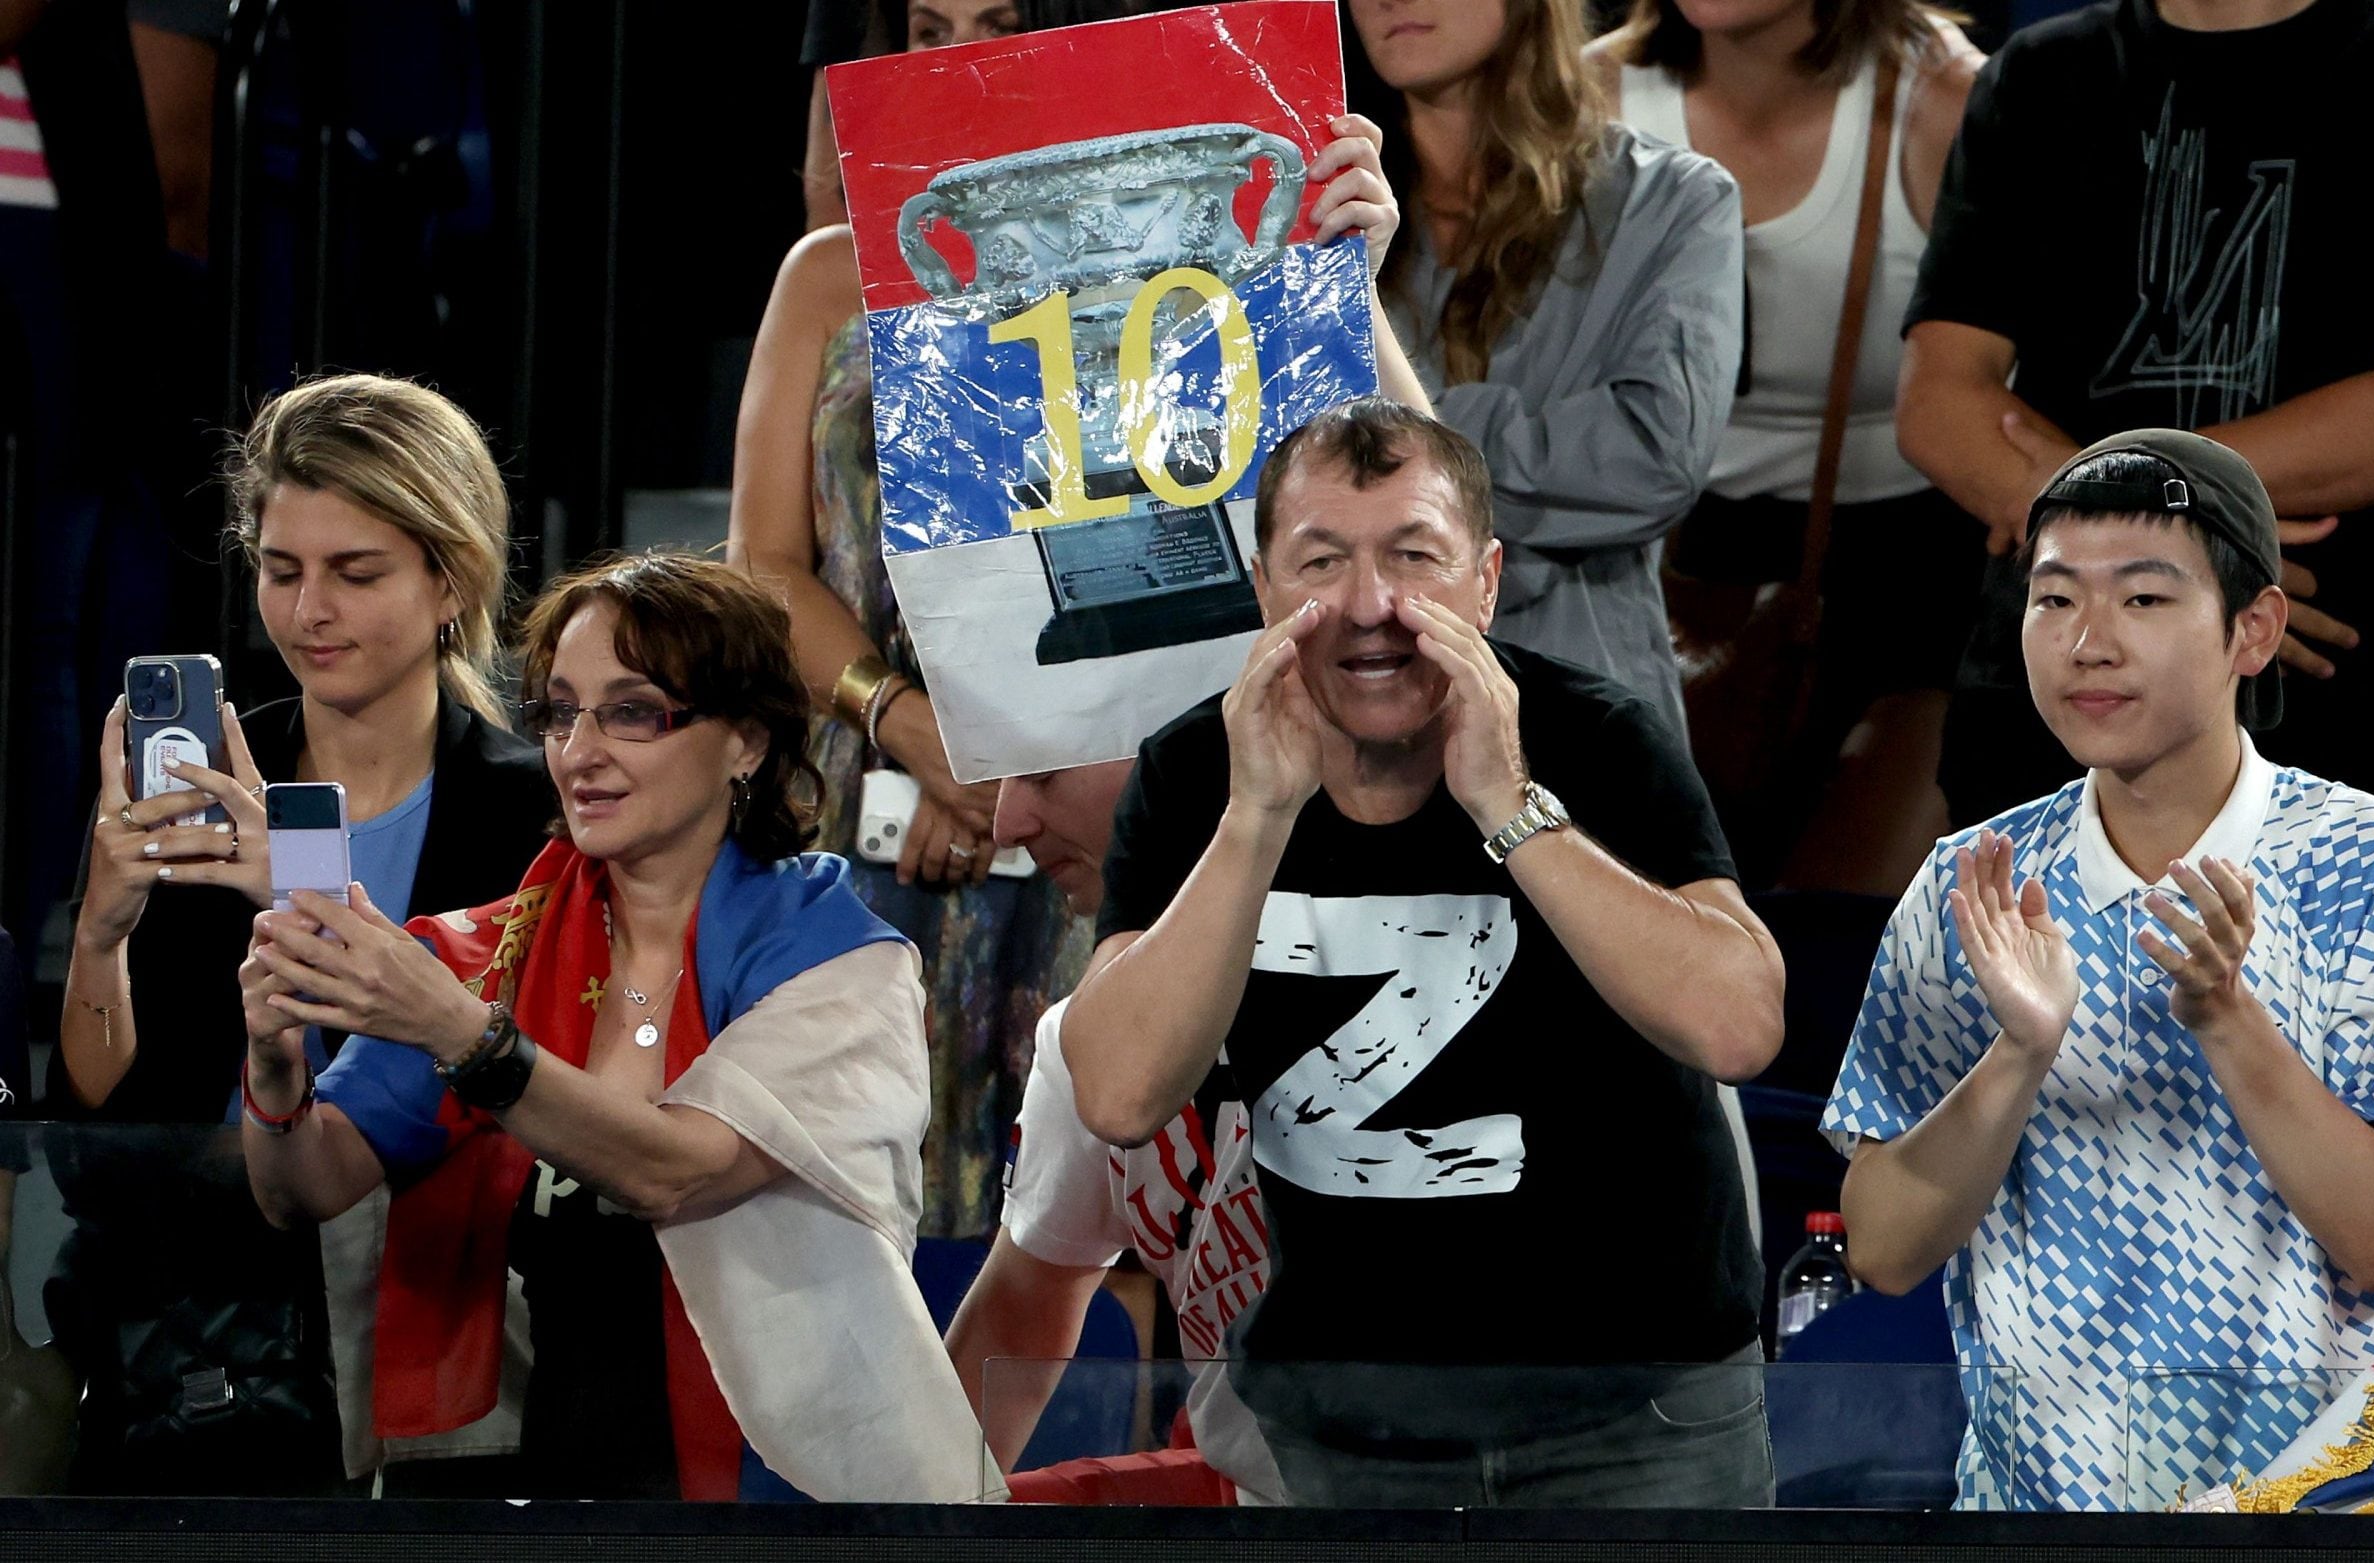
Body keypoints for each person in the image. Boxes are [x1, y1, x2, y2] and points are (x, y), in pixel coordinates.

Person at [732, 9, 1425, 1235]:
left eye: (994, 25)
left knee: (1140, 1206)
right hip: (886, 817)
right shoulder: (823, 281)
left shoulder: (1208, 256)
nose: (956, 57)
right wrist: (909, 726)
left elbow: (1401, 500)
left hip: (1135, 802)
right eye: (925, 28)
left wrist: (1339, 289)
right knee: (876, 1211)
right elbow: (766, 569)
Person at [1061, 397, 1785, 1508]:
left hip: (1634, 1411)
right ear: (1262, 588)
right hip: (1348, 1421)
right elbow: (1117, 1092)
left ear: (1485, 581)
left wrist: (1509, 804)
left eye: (1414, 558)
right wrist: (1255, 818)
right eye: (1320, 562)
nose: (1368, 607)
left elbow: (1739, 1025)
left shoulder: (1595, 738)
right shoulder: (1191, 776)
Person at [1823, 431, 2374, 1511]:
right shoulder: (1972, 884)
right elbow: (1884, 1250)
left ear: (2251, 630)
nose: (2087, 643)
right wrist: (2018, 1053)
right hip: (2032, 1508)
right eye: (2053, 600)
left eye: (2142, 600)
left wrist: (2225, 1016)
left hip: (2312, 1508)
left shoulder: (2368, 865)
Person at [236, 552, 983, 1502]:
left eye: (632, 712)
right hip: (561, 1505)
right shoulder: (484, 957)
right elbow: (309, 1184)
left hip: (803, 1507)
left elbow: (676, 1169)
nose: (579, 750)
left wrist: (467, 1039)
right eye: (559, 710)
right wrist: (275, 1064)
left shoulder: (841, 962)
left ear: (745, 740)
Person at [44, 373, 552, 1496]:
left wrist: (304, 894)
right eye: (282, 571)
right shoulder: (192, 791)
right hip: (204, 1352)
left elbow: (503, 1085)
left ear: (448, 578)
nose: (309, 610)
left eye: (355, 572)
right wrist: (101, 935)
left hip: (440, 1331)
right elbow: (104, 1135)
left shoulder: (534, 814)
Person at [1896, 0, 2374, 868]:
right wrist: (2173, 552)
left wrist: (2119, 516)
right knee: (2019, 1000)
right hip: (2047, 712)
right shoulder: (2038, 74)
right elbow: (1940, 402)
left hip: (2318, 691)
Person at [1590, 0, 1985, 892]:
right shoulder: (1588, 101)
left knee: (1848, 944)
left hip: (1913, 584)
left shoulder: (1946, 104)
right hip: (1650, 568)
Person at [1346, 0, 1745, 731]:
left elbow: (1652, 456)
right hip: (1354, 702)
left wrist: (1412, 436)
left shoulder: (1674, 202)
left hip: (1578, 704)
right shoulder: (1322, 215)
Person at [945, 756, 1284, 1503]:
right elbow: (1017, 1314)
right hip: (1258, 1498)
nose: (1007, 823)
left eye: (1043, 773)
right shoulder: (1083, 1038)